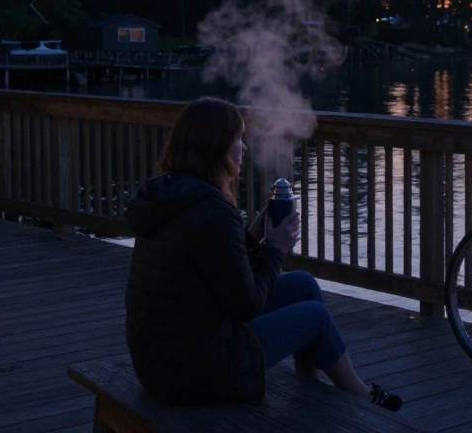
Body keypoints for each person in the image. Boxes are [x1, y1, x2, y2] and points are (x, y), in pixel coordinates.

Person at [123, 97, 402, 411]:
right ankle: (361, 395)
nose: (244, 149)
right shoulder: (211, 210)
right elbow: (244, 305)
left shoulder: (175, 194)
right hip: (193, 371)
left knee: (302, 285)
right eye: (238, 140)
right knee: (316, 317)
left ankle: (308, 385)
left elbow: (214, 272)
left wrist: (253, 236)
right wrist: (274, 249)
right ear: (215, 148)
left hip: (159, 359)